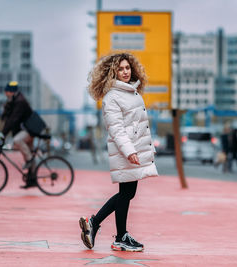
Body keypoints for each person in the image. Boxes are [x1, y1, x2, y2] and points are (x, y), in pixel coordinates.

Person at [79, 52, 158, 252]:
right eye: (120, 68)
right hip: (126, 151)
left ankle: (116, 234)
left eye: (127, 68)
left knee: (127, 193)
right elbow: (116, 129)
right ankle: (98, 225)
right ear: (112, 72)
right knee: (127, 193)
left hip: (133, 150)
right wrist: (130, 151)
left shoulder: (131, 91)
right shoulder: (113, 97)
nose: (125, 71)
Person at [0, 81, 36, 188]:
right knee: (28, 154)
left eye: (7, 91)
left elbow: (13, 120)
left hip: (31, 130)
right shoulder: (13, 101)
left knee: (17, 141)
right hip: (27, 129)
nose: (5, 94)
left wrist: (3, 134)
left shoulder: (20, 101)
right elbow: (8, 118)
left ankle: (30, 161)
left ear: (12, 91)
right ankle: (32, 181)